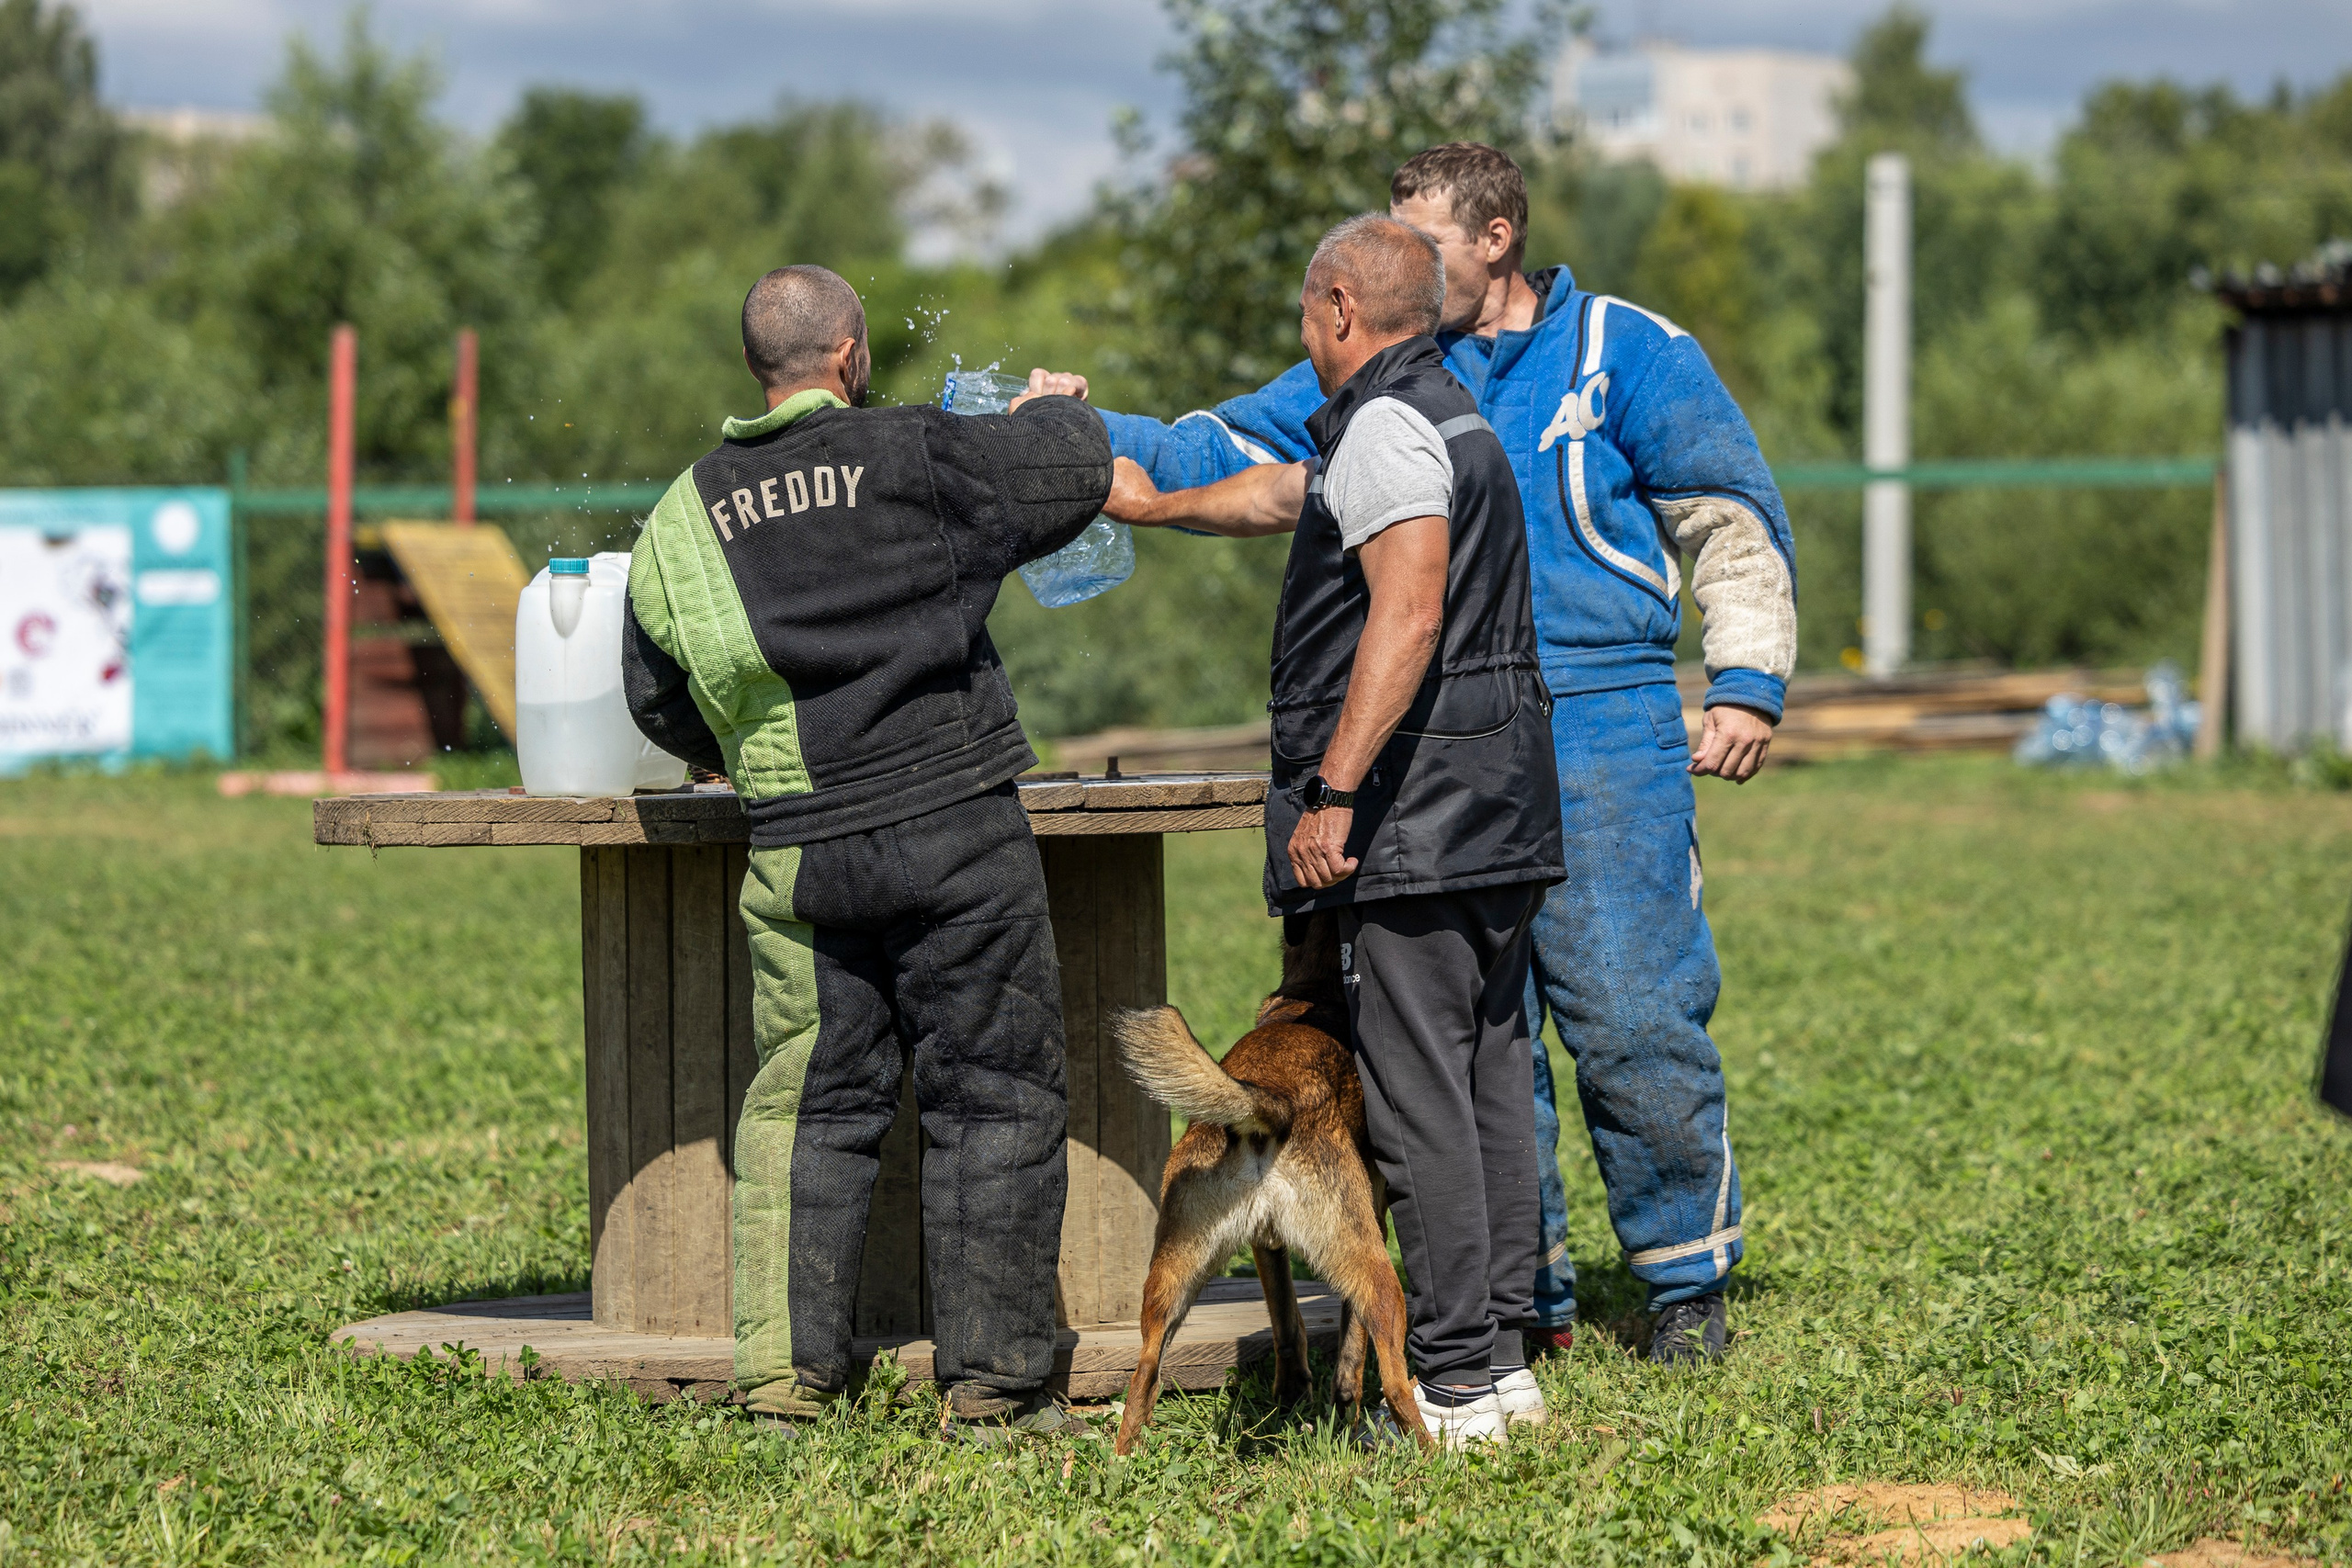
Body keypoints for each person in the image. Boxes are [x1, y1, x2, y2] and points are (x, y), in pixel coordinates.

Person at [1052, 142, 1797, 1363]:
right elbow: (1222, 447)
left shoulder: (1630, 351)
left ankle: (1683, 1281)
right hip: (1438, 729)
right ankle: (1528, 1295)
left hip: (1601, 710)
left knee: (1629, 1011)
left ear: (1497, 238)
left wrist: (1749, 679)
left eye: (1426, 243)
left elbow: (1727, 513)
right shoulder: (1389, 366)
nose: (1400, 262)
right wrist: (1083, 431)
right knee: (1477, 1036)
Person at [620, 264, 1113, 1441]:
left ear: (760, 367)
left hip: (800, 848)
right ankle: (993, 1391)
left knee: (806, 1105)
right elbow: (1069, 476)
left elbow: (652, 692)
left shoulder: (683, 513)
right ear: (848, 358)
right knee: (992, 1096)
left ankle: (787, 1390)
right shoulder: (913, 451)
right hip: (957, 831)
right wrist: (1054, 405)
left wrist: (745, 743)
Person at [1100, 214, 1566, 1448]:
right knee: (1491, 1070)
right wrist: (1148, 503)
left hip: (1421, 818)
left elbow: (1404, 617)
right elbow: (1284, 496)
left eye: (1307, 314)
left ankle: (1457, 1372)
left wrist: (1338, 789)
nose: (1302, 335)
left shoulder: (1388, 428)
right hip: (1497, 805)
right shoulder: (1439, 414)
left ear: (1342, 311)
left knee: (1421, 1095)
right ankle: (1503, 1357)